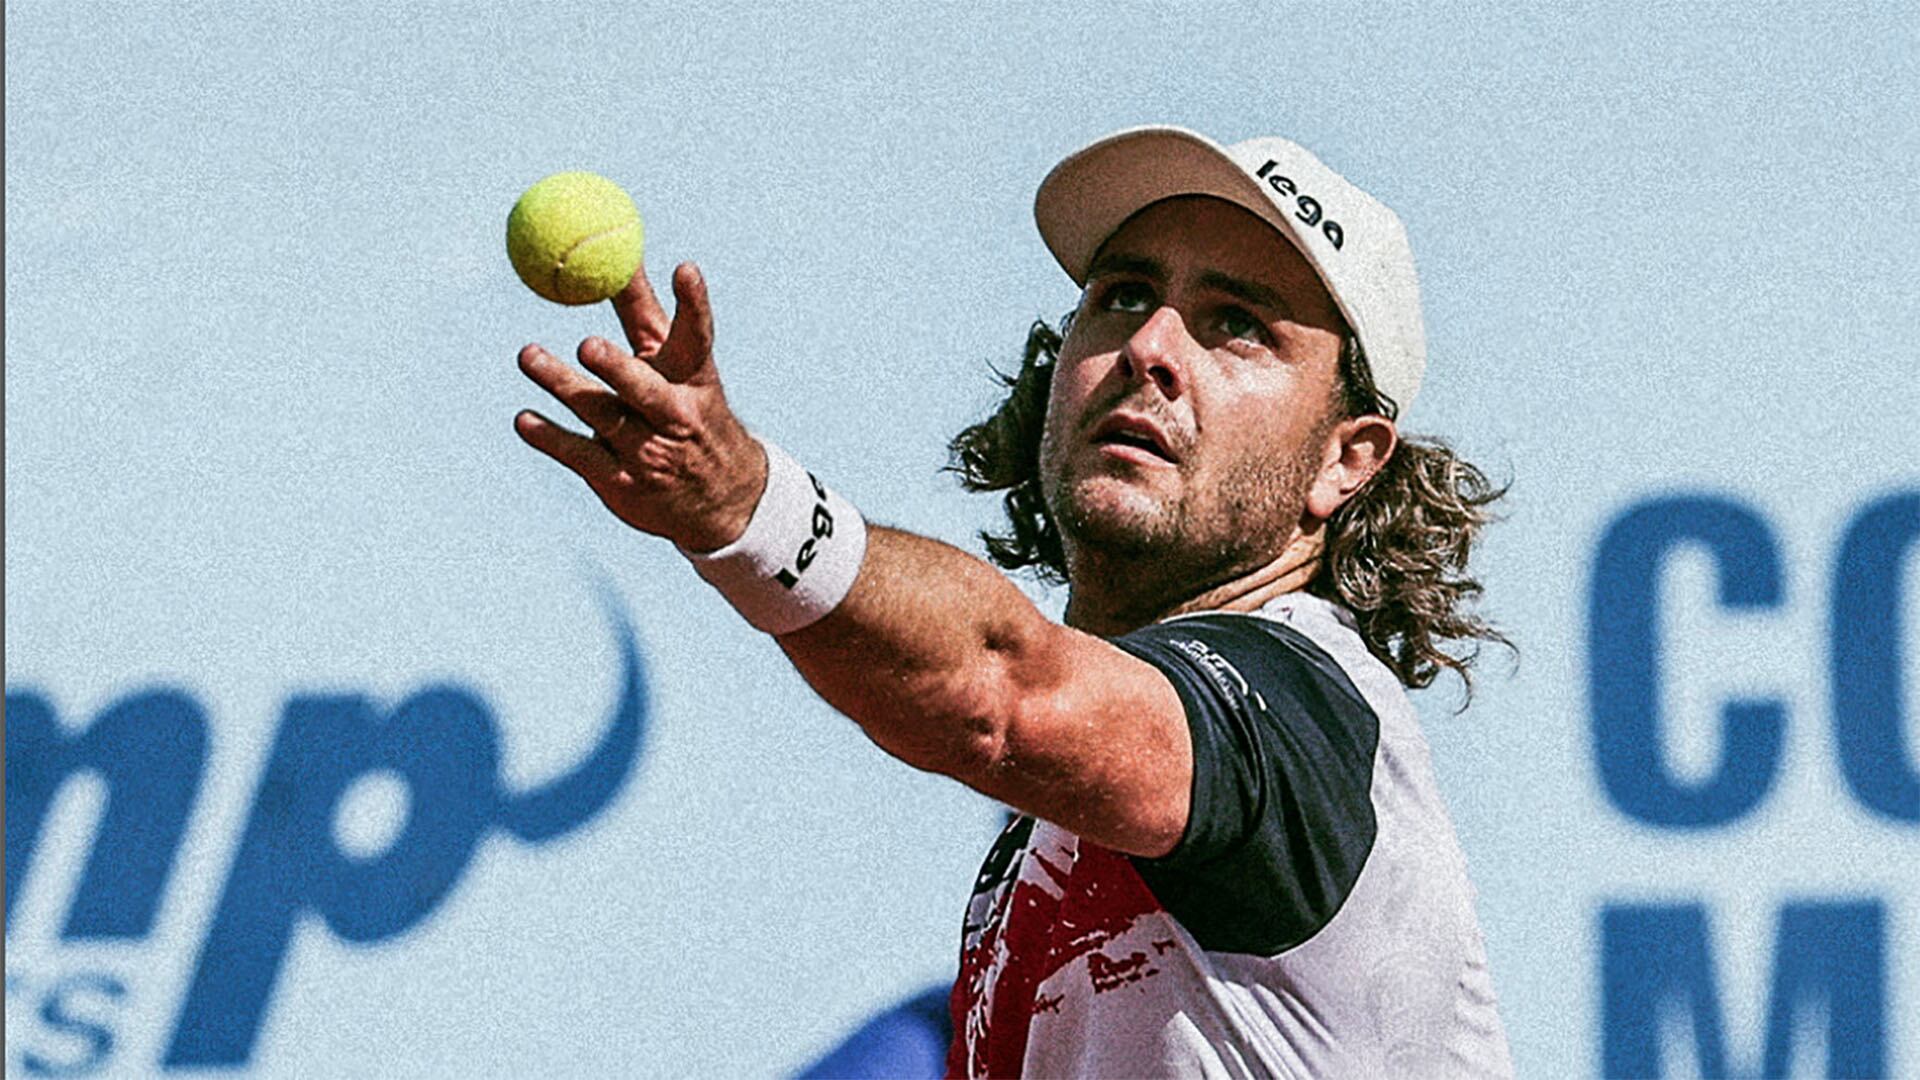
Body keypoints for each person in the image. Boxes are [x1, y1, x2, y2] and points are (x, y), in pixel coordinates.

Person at [514, 125, 1514, 1078]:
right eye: (1122, 296)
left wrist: (750, 507)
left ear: (1346, 462)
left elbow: (1000, 692)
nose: (1151, 346)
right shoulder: (1064, 833)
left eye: (1237, 325)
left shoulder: (1296, 709)